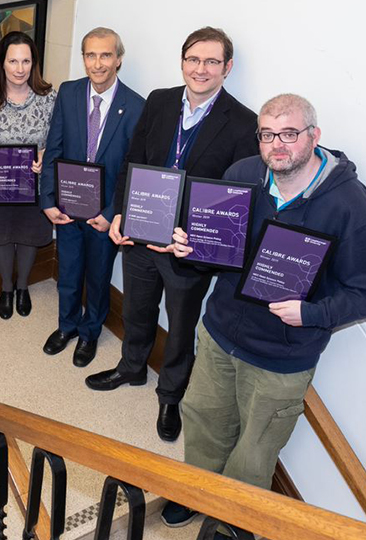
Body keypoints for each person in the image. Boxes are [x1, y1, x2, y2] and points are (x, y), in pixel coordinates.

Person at [159, 95, 366, 533]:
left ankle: (234, 521)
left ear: (314, 136)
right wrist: (189, 250)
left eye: (289, 134)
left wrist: (311, 313)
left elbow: (362, 291)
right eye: (267, 134)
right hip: (219, 333)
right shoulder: (243, 175)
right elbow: (216, 253)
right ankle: (197, 492)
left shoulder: (350, 203)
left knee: (255, 450)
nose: (277, 145)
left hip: (281, 357)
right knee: (202, 420)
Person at [86, 27, 258, 442]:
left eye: (212, 61)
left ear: (227, 68)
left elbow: (233, 200)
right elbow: (133, 160)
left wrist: (194, 239)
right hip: (142, 234)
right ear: (182, 62)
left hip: (188, 248)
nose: (201, 69)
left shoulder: (244, 122)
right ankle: (131, 367)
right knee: (135, 310)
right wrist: (122, 212)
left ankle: (170, 395)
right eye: (194, 60)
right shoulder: (160, 101)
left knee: (181, 326)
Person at [39, 27, 145, 367]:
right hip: (67, 207)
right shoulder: (68, 94)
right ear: (83, 58)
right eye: (90, 55)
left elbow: (133, 167)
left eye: (105, 55)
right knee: (68, 272)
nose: (97, 63)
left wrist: (114, 211)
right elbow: (53, 146)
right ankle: (66, 326)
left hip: (104, 213)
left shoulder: (136, 106)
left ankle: (89, 334)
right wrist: (48, 199)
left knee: (98, 278)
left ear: (118, 59)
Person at [0, 31, 56, 320]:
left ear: (34, 64)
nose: (20, 69)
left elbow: (55, 139)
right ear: (2, 63)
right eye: (13, 61)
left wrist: (43, 159)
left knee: (29, 236)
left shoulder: (49, 98)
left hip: (33, 182)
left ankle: (23, 287)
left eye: (26, 61)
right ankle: (6, 288)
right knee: (3, 237)